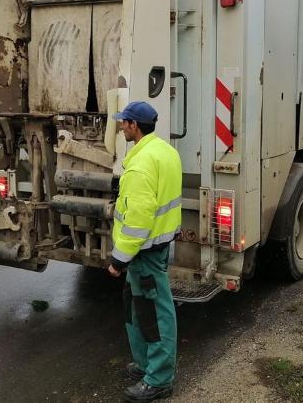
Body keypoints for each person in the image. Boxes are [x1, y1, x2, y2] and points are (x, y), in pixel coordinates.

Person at [107, 101, 182, 401]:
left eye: (124, 123)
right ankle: (145, 363)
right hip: (157, 246)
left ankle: (160, 378)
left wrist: (118, 259)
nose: (121, 127)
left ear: (134, 126)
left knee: (154, 312)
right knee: (137, 307)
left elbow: (137, 220)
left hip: (144, 251)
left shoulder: (139, 166)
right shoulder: (166, 152)